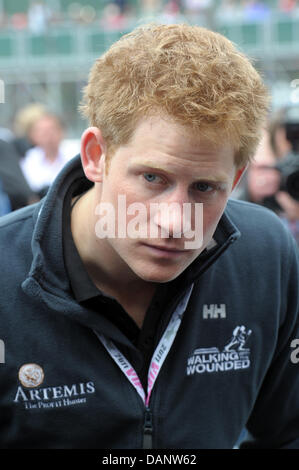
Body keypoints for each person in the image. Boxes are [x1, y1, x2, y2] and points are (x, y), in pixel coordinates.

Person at [0, 23, 298, 449]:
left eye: (204, 188)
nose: (175, 221)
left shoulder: (265, 254)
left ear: (235, 181)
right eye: (153, 178)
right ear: (95, 156)